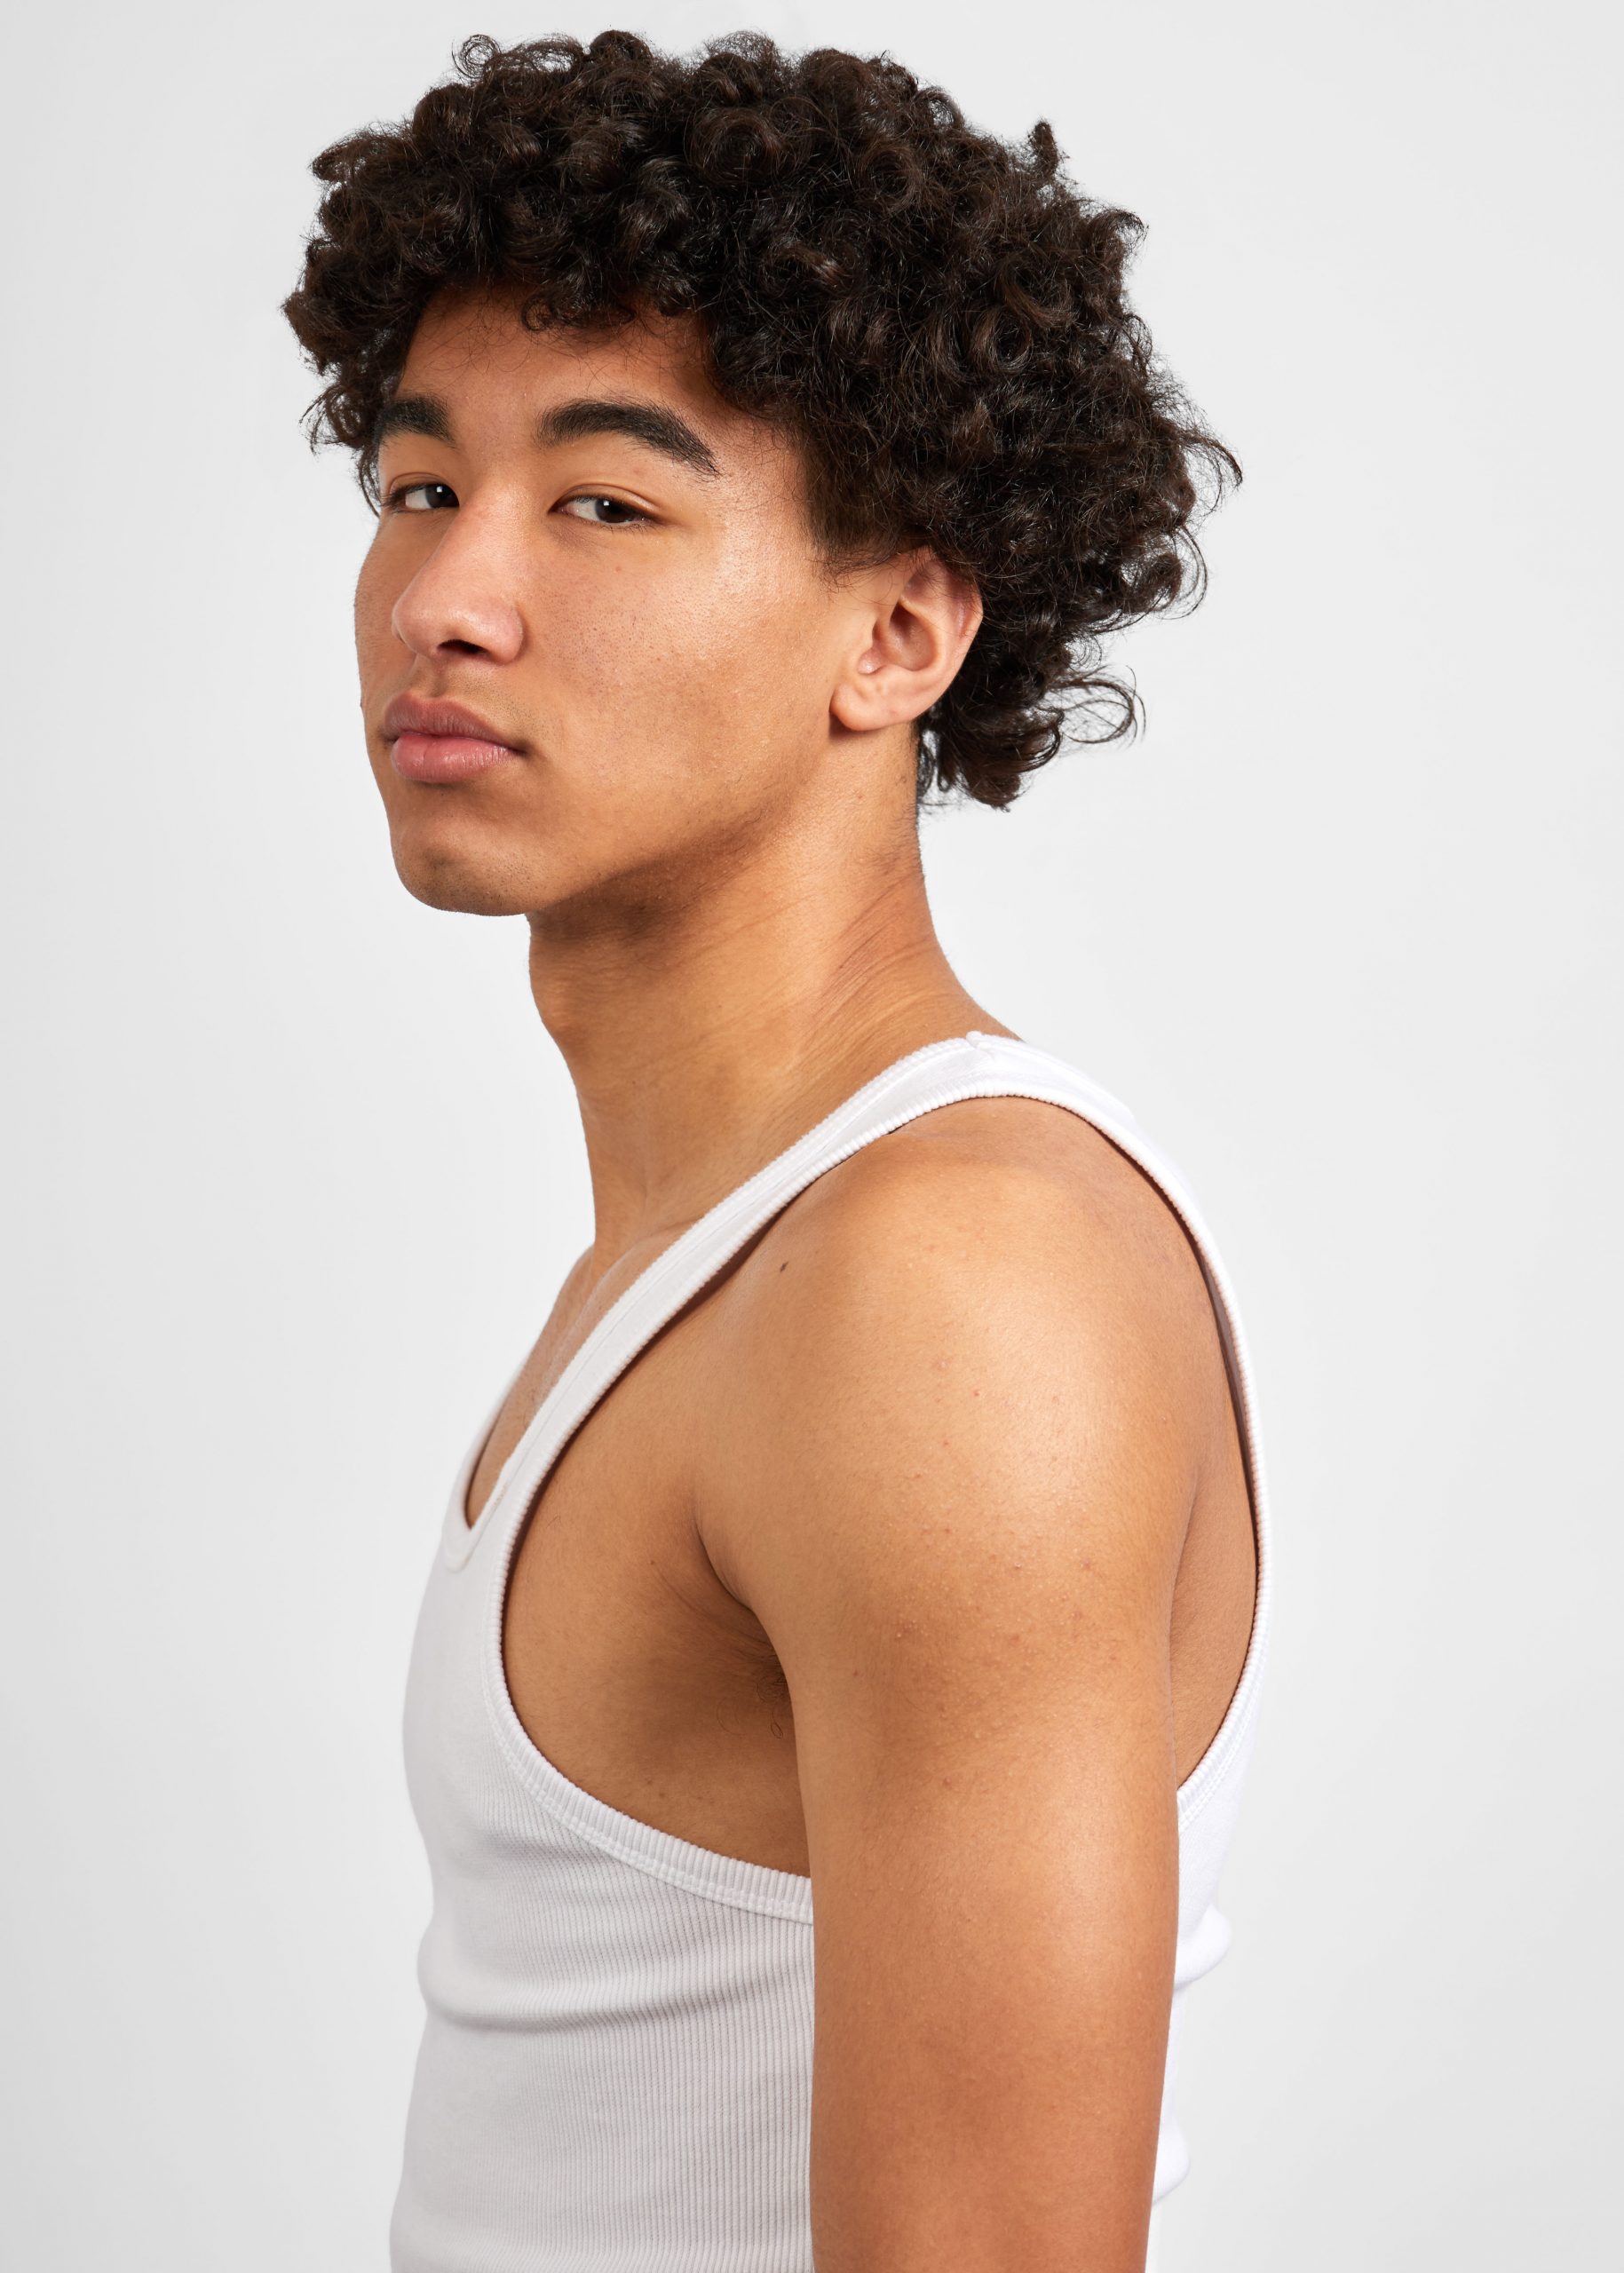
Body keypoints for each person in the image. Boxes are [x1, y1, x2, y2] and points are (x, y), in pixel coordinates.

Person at [282, 30, 1272, 2273]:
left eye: (602, 504)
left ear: (899, 630)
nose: (448, 597)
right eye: (421, 486)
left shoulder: (946, 1287)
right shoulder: (732, 1247)